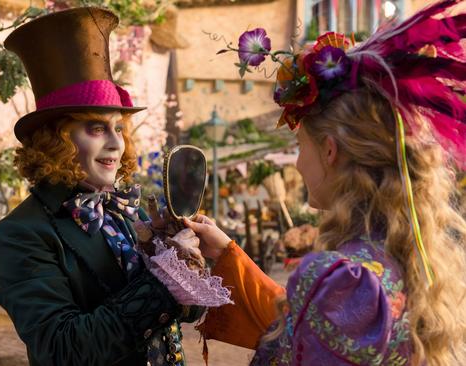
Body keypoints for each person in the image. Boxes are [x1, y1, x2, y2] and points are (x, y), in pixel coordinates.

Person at [182, 1, 466, 365]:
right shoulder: (405, 260)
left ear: (329, 151)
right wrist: (226, 254)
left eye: (301, 146)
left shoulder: (343, 281)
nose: (299, 165)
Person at [0, 7, 201, 365]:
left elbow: (183, 315)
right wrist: (162, 281)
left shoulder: (123, 214)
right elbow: (64, 350)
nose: (117, 144)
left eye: (119, 128)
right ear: (56, 139)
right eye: (96, 128)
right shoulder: (21, 234)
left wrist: (172, 255)